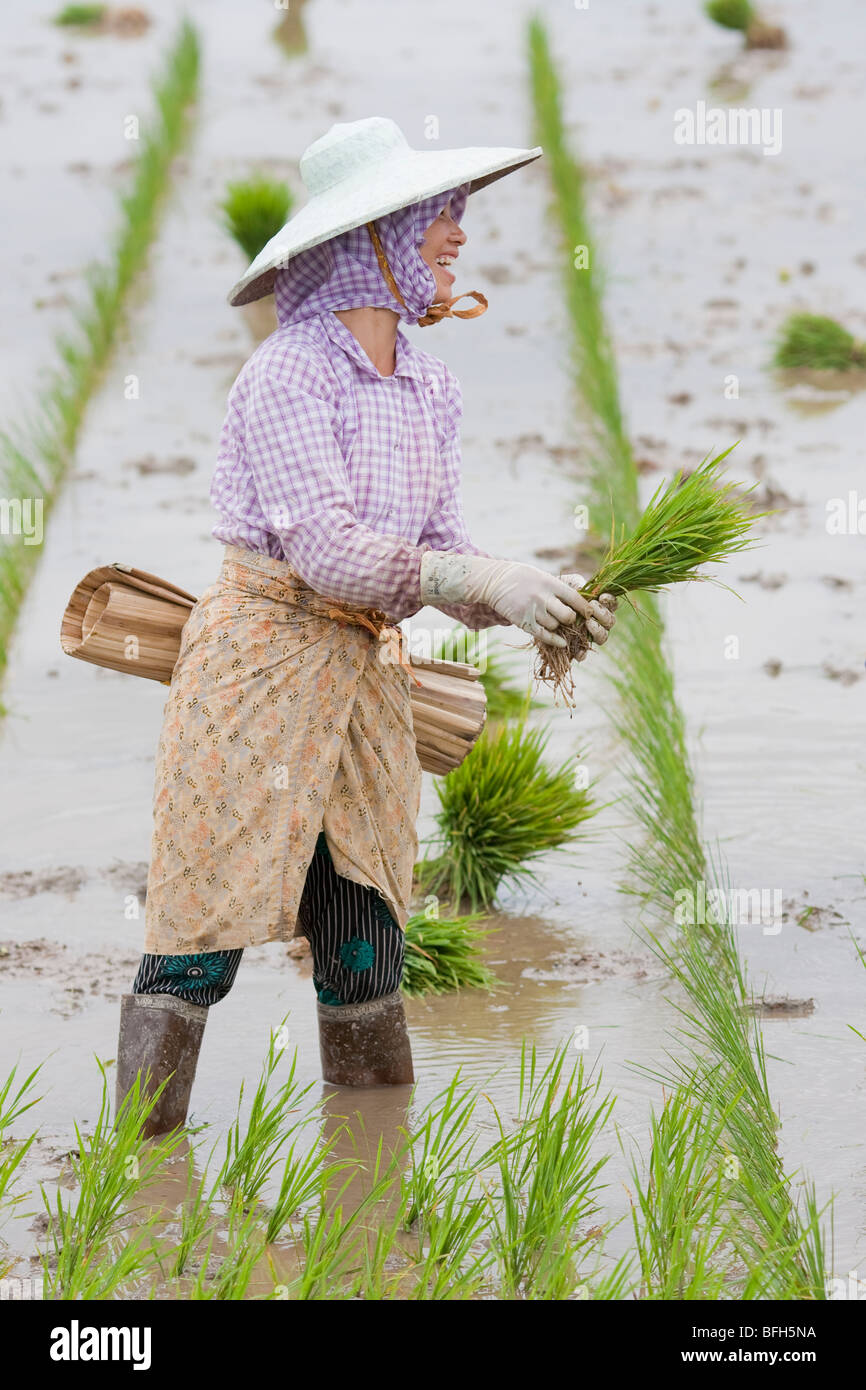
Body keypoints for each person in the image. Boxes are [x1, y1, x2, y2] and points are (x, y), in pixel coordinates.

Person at [114, 117, 616, 1137]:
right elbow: (329, 552)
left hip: (361, 684)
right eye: (436, 217)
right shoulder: (288, 373)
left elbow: (436, 547)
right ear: (366, 242)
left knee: (363, 926)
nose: (455, 235)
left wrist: (528, 597)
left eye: (452, 215)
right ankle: (134, 1182)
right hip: (260, 671)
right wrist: (473, 573)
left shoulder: (431, 385)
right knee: (200, 927)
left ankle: (371, 1169)